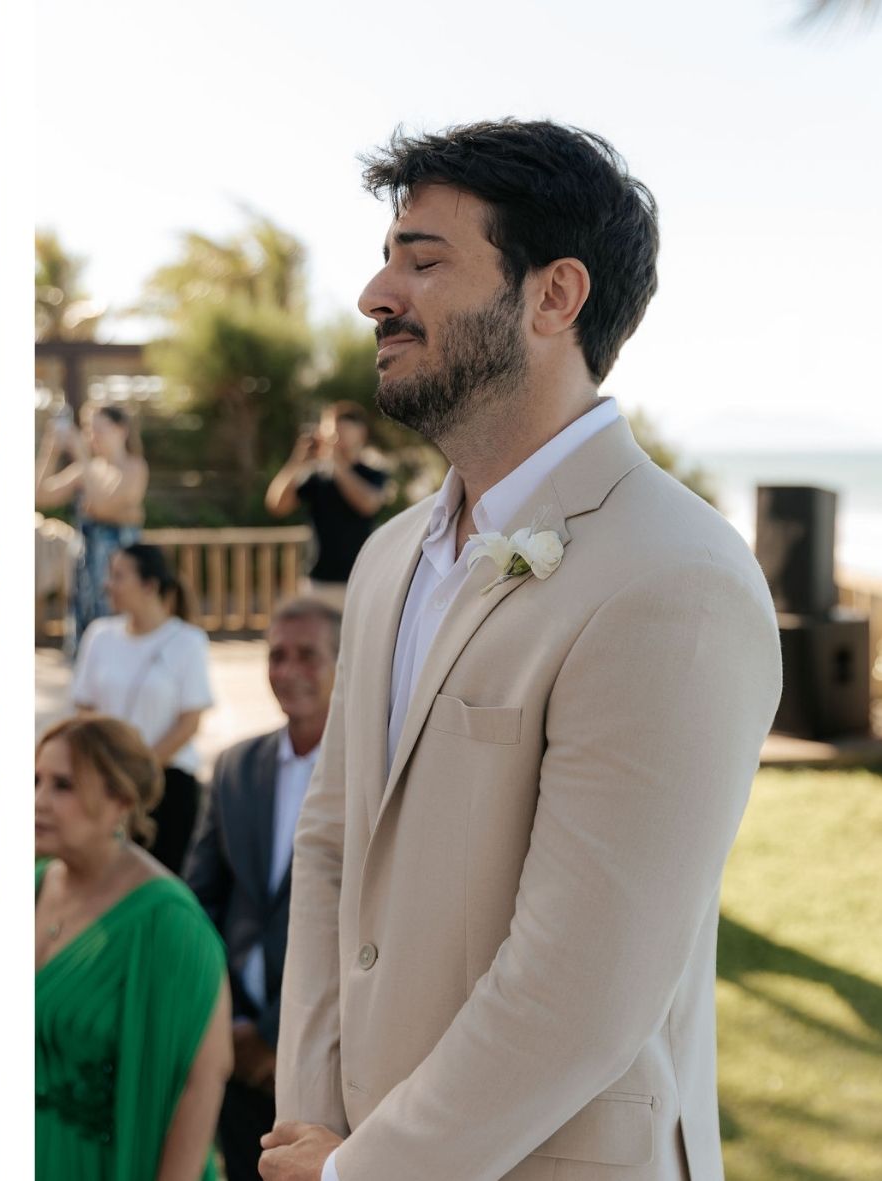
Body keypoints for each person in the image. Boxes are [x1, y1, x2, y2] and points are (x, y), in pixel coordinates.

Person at [262, 121, 782, 1181]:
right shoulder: (389, 557)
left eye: (422, 259)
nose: (375, 293)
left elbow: (581, 987)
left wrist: (359, 1170)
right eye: (386, 257)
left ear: (553, 296)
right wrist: (312, 1118)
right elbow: (327, 853)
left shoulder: (678, 580)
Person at [182, 598, 340, 1181]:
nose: (289, 668)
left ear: (343, 666)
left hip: (328, 1043)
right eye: (276, 654)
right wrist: (226, 1024)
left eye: (308, 654)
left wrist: (278, 1038)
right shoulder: (235, 768)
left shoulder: (370, 773)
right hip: (232, 1038)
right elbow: (199, 904)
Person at [35, 715, 230, 1180]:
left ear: (120, 800)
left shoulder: (168, 923)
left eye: (63, 786)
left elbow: (199, 1084)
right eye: (36, 780)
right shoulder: (35, 884)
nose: (39, 801)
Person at [69, 543, 213, 875]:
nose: (108, 584)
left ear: (149, 585)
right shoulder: (99, 636)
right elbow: (84, 711)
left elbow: (189, 722)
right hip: (103, 785)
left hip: (168, 787)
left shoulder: (188, 641)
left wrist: (138, 774)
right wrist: (111, 772)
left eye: (118, 576)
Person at [36, 403, 149, 653]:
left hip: (121, 571)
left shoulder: (135, 467)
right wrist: (50, 449)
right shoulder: (88, 468)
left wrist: (80, 453)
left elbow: (104, 507)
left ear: (121, 430)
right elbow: (40, 495)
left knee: (119, 641)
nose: (91, 435)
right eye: (88, 429)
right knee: (87, 641)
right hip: (86, 569)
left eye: (99, 428)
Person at [265, 401, 390, 610]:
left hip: (361, 579)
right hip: (318, 583)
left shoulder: (373, 473)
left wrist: (337, 463)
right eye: (329, 431)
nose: (333, 437)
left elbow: (368, 504)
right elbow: (277, 506)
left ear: (361, 433)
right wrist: (298, 461)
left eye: (340, 431)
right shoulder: (316, 476)